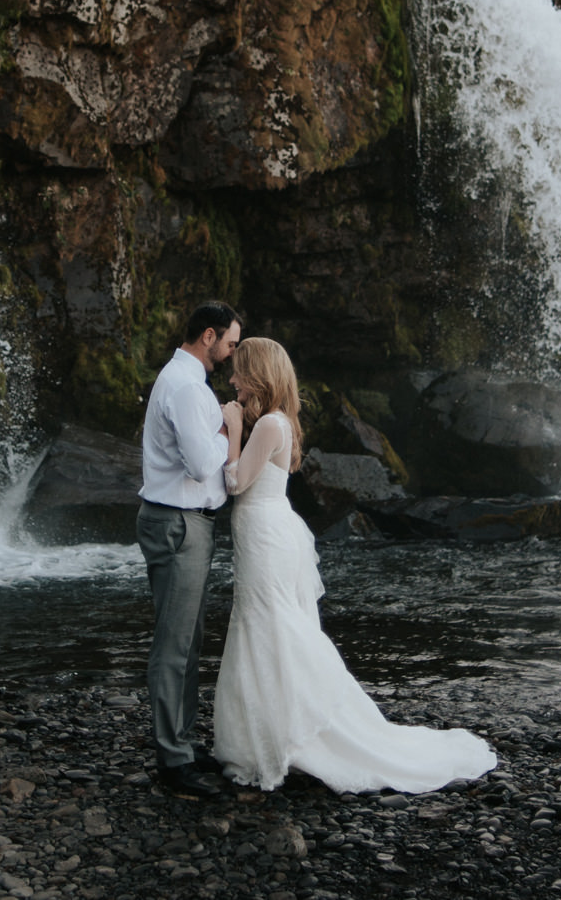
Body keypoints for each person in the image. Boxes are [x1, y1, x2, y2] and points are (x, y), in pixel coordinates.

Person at [213, 337, 497, 793]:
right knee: (265, 623)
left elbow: (235, 482)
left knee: (270, 626)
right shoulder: (278, 420)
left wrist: (232, 431)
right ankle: (269, 731)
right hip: (267, 532)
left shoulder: (266, 424)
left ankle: (289, 733)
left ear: (259, 374)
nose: (232, 380)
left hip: (264, 533)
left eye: (239, 372)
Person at [136, 300, 243, 798]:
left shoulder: (186, 383)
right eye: (230, 342)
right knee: (175, 644)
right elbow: (203, 465)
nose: (231, 352)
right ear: (208, 335)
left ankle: (180, 741)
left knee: (188, 641)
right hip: (178, 523)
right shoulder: (185, 387)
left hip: (184, 523)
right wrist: (229, 430)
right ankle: (174, 761)